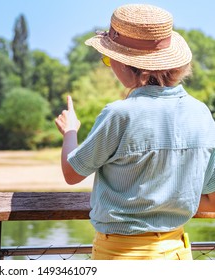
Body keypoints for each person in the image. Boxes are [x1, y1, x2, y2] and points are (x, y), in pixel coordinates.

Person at [55, 3, 215, 260]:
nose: (110, 66)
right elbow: (212, 198)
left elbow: (72, 173)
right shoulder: (202, 114)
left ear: (128, 66)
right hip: (177, 254)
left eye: (109, 59)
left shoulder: (120, 114)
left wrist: (70, 131)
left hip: (121, 255)